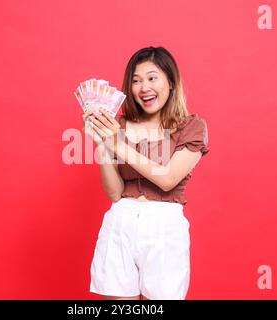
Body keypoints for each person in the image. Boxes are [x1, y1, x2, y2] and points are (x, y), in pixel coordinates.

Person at [82, 46, 210, 300]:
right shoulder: (116, 125)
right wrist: (102, 144)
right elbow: (115, 192)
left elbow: (168, 179)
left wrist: (118, 144)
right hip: (121, 221)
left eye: (152, 78)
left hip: (164, 226)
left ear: (171, 82)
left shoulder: (192, 127)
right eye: (136, 81)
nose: (144, 87)